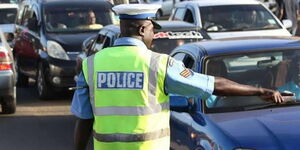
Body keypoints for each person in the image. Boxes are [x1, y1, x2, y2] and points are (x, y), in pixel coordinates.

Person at [71, 4, 291, 150]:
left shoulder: (92, 64)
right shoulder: (159, 63)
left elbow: (84, 119)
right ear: (141, 30)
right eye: (152, 30)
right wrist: (261, 91)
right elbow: (212, 85)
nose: (154, 35)